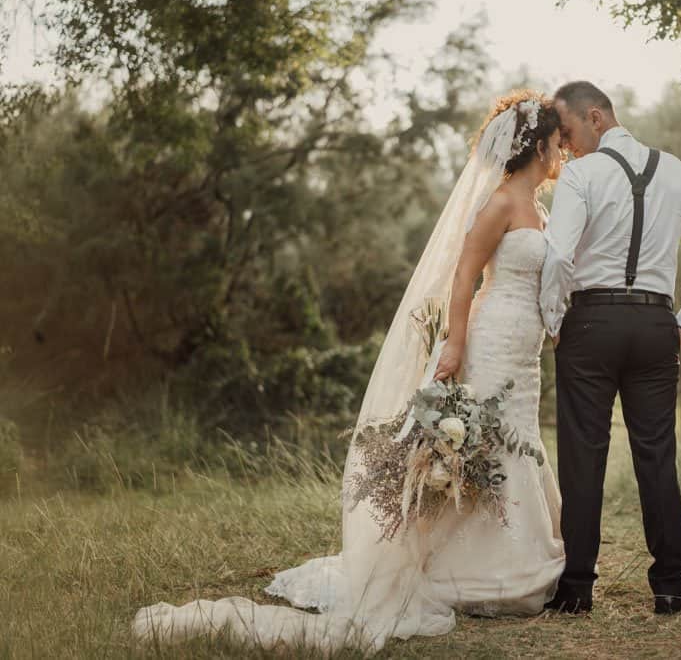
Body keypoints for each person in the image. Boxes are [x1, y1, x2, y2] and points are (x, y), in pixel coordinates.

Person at [131, 90, 566, 653]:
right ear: (538, 142)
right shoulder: (503, 201)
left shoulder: (541, 205)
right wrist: (455, 345)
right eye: (559, 142)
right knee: (484, 446)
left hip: (522, 353)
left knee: (514, 440)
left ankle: (510, 561)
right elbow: (464, 277)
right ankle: (469, 575)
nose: (564, 152)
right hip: (486, 343)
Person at [540, 81, 681, 616]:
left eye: (570, 133)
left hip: (590, 323)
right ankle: (670, 584)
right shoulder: (678, 171)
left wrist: (555, 319)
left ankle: (577, 588)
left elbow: (557, 256)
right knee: (656, 454)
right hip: (654, 324)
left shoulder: (581, 173)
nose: (567, 147)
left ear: (595, 117)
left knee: (582, 454)